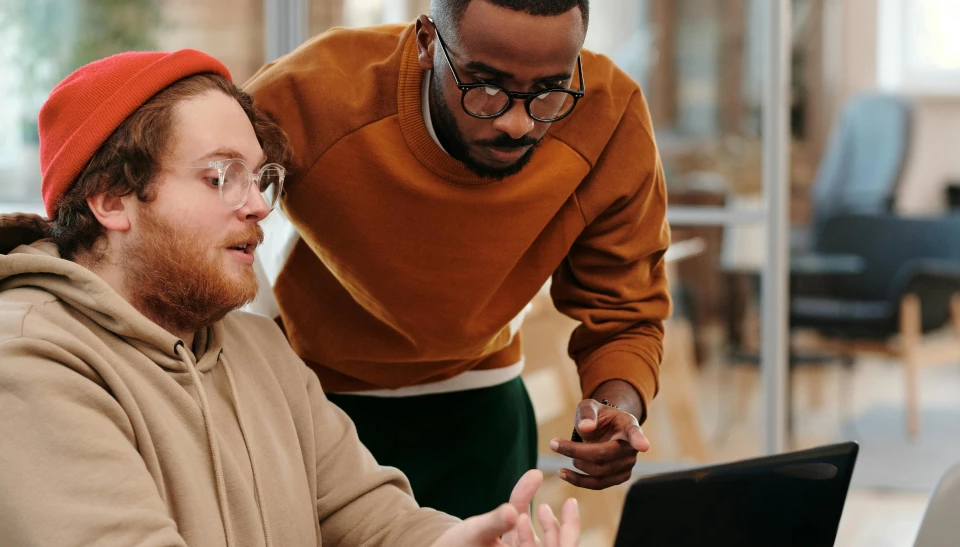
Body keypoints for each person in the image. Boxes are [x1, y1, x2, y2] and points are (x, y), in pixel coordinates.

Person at [0, 49, 605, 547]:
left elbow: (365, 509)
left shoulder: (253, 343)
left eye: (259, 177)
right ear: (111, 201)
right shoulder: (11, 361)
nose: (258, 206)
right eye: (219, 177)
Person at [245, 0, 671, 518]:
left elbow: (627, 311)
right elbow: (194, 219)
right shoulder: (309, 95)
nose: (518, 123)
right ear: (427, 42)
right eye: (485, 85)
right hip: (309, 401)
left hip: (480, 405)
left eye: (549, 90)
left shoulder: (610, 115)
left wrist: (614, 409)